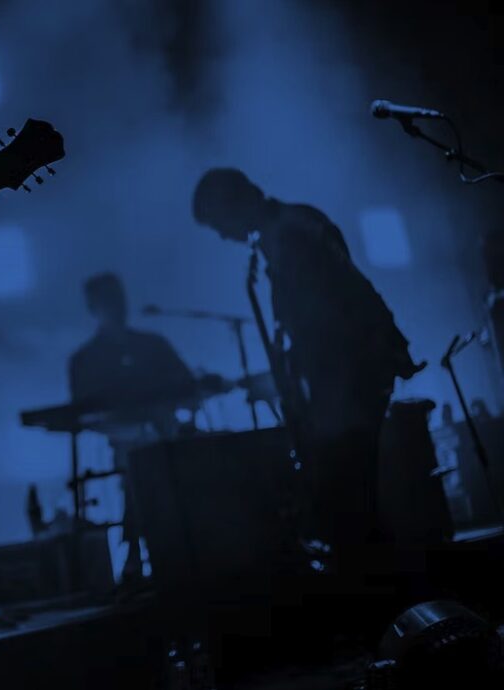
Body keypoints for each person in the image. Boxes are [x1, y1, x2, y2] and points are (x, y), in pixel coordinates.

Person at [192, 168, 424, 551]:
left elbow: (325, 321)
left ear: (237, 203)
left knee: (348, 495)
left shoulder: (289, 235)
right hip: (352, 370)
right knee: (354, 494)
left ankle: (376, 574)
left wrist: (300, 382)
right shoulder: (287, 228)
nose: (222, 235)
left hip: (348, 375)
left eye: (219, 223)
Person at [68, 272, 198, 582]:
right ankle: (137, 559)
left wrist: (177, 417)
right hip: (127, 445)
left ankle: (161, 556)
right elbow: (85, 415)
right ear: (93, 307)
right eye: (109, 300)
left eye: (119, 298)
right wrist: (135, 432)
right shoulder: (85, 360)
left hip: (171, 439)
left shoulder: (153, 345)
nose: (118, 306)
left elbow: (190, 387)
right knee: (140, 470)